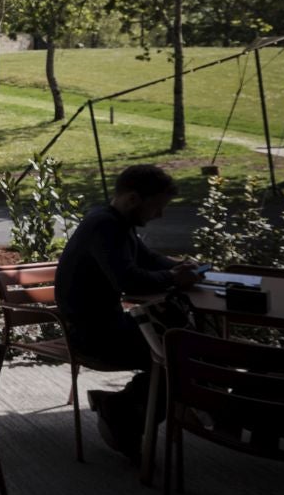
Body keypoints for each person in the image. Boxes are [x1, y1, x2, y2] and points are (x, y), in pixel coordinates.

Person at [56, 164, 200, 462]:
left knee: (181, 350)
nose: (159, 215)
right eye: (157, 207)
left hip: (104, 326)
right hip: (94, 336)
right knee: (181, 356)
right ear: (133, 199)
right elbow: (129, 279)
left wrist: (181, 266)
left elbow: (147, 259)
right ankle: (122, 411)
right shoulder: (105, 227)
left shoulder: (113, 223)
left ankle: (122, 406)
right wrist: (174, 278)